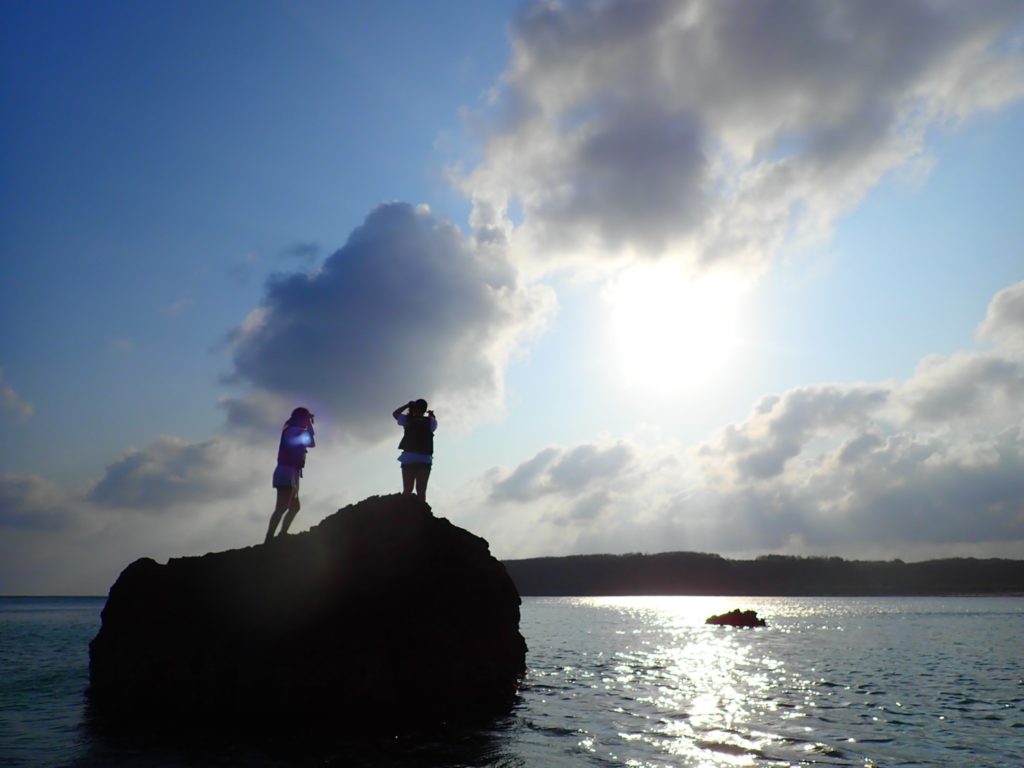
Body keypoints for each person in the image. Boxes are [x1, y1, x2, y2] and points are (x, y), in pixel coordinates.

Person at [265, 407, 315, 543]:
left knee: (294, 507)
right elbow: (311, 442)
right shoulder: (293, 431)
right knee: (282, 507)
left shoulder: (293, 430)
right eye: (307, 419)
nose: (309, 421)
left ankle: (281, 534)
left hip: (292, 472)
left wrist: (308, 424)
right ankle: (270, 538)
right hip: (286, 471)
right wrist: (309, 425)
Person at [392, 399, 436, 502]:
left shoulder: (408, 419)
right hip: (424, 459)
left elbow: (395, 414)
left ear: (414, 407)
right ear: (425, 409)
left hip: (409, 458)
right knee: (421, 491)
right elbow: (434, 424)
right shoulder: (430, 421)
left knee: (407, 490)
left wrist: (407, 405)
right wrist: (431, 415)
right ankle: (422, 514)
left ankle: (404, 514)